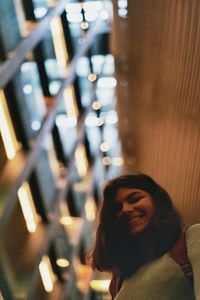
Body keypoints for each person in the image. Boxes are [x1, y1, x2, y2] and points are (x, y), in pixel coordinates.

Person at [91, 173, 200, 299]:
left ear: (157, 201)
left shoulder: (191, 238)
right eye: (117, 208)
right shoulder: (118, 280)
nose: (125, 209)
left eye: (135, 199)